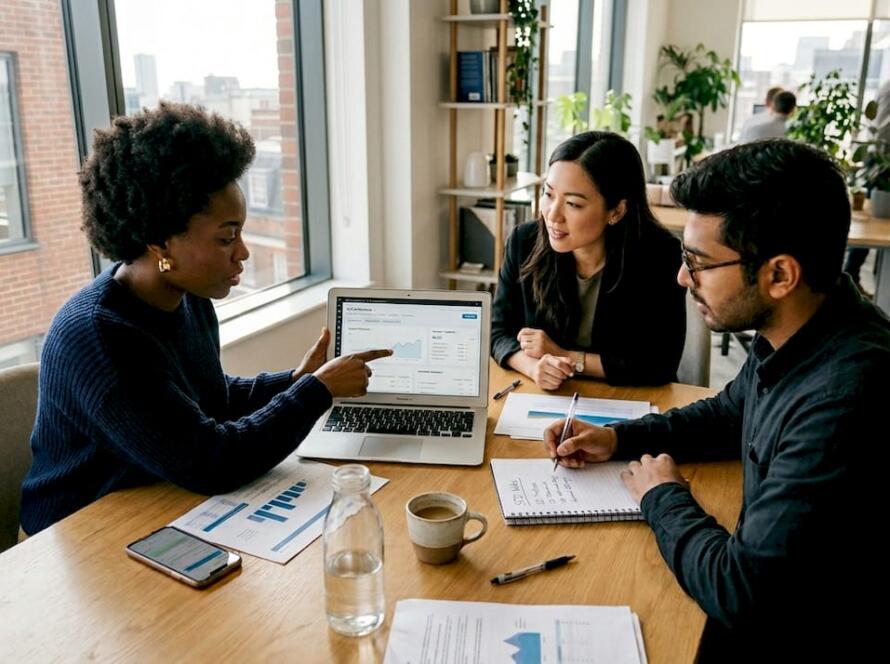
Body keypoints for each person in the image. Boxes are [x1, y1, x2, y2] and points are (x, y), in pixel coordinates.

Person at [545, 139, 889, 661]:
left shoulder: (844, 399)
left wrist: (663, 495)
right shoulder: (802, 328)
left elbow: (741, 591)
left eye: (698, 262)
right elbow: (728, 414)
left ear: (779, 275)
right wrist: (617, 438)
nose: (682, 278)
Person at [20, 103, 391, 535]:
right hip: (78, 533)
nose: (244, 252)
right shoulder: (100, 338)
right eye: (226, 237)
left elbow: (208, 399)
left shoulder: (187, 296)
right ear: (160, 242)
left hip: (154, 500)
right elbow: (211, 462)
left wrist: (295, 379)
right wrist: (315, 392)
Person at [491, 131, 686, 389]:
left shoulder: (659, 256)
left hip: (630, 398)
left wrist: (565, 356)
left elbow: (659, 364)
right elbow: (498, 332)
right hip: (551, 396)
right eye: (549, 195)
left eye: (573, 204)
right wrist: (533, 367)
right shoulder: (524, 242)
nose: (553, 215)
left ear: (616, 211)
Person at [844, 78, 890, 292]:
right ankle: (853, 273)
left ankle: (857, 274)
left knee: (876, 213)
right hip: (883, 157)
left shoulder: (886, 85)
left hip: (877, 154)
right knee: (876, 215)